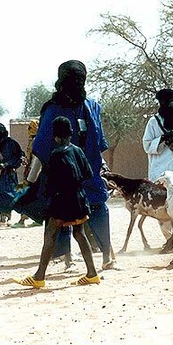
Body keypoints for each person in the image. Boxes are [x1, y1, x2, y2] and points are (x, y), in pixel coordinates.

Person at [31, 60, 117, 270]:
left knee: (97, 208)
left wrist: (101, 166)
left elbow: (99, 142)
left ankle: (107, 257)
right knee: (61, 218)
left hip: (90, 173)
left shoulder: (93, 106)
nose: (76, 83)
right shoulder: (52, 110)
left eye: (80, 79)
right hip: (62, 176)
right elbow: (41, 145)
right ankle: (66, 258)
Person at [13, 116, 99, 288]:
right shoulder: (77, 151)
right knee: (79, 233)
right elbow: (87, 173)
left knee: (50, 235)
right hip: (79, 198)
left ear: (55, 136)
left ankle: (39, 277)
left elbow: (49, 184)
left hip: (62, 202)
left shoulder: (56, 154)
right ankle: (92, 274)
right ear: (71, 133)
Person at [12, 119, 41, 228]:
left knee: (26, 195)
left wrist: (31, 175)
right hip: (31, 171)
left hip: (33, 173)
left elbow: (36, 159)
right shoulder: (34, 140)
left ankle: (22, 220)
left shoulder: (36, 141)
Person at [0, 123, 24, 224]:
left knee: (9, 195)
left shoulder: (12, 144)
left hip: (9, 175)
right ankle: (2, 216)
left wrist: (6, 165)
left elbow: (18, 157)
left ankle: (9, 215)